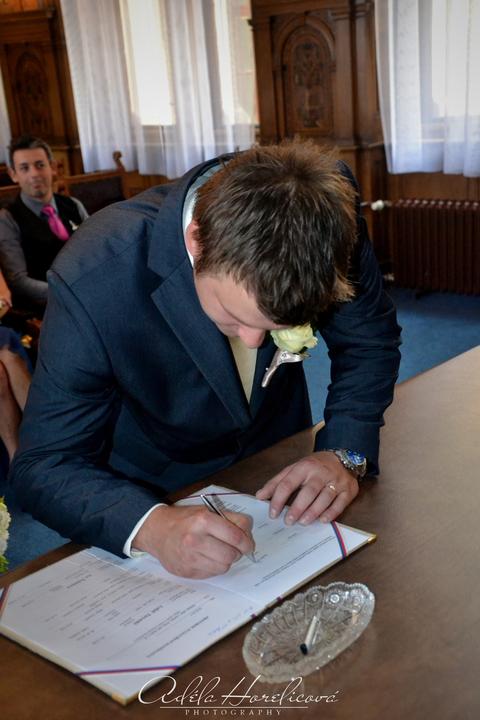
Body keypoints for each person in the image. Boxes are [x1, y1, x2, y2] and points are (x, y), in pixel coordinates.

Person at [11, 141, 401, 579]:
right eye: (235, 318)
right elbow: (44, 464)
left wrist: (343, 450)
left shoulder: (324, 207)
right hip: (161, 482)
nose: (254, 342)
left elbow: (369, 339)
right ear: (197, 241)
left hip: (281, 459)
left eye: (276, 328)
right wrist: (151, 526)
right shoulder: (96, 274)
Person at [0, 135, 88, 314]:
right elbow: (18, 281)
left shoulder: (73, 205)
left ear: (52, 167)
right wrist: (68, 295)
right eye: (24, 168)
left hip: (88, 291)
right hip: (49, 308)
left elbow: (97, 250)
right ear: (13, 174)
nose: (34, 174)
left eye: (40, 165)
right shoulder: (7, 219)